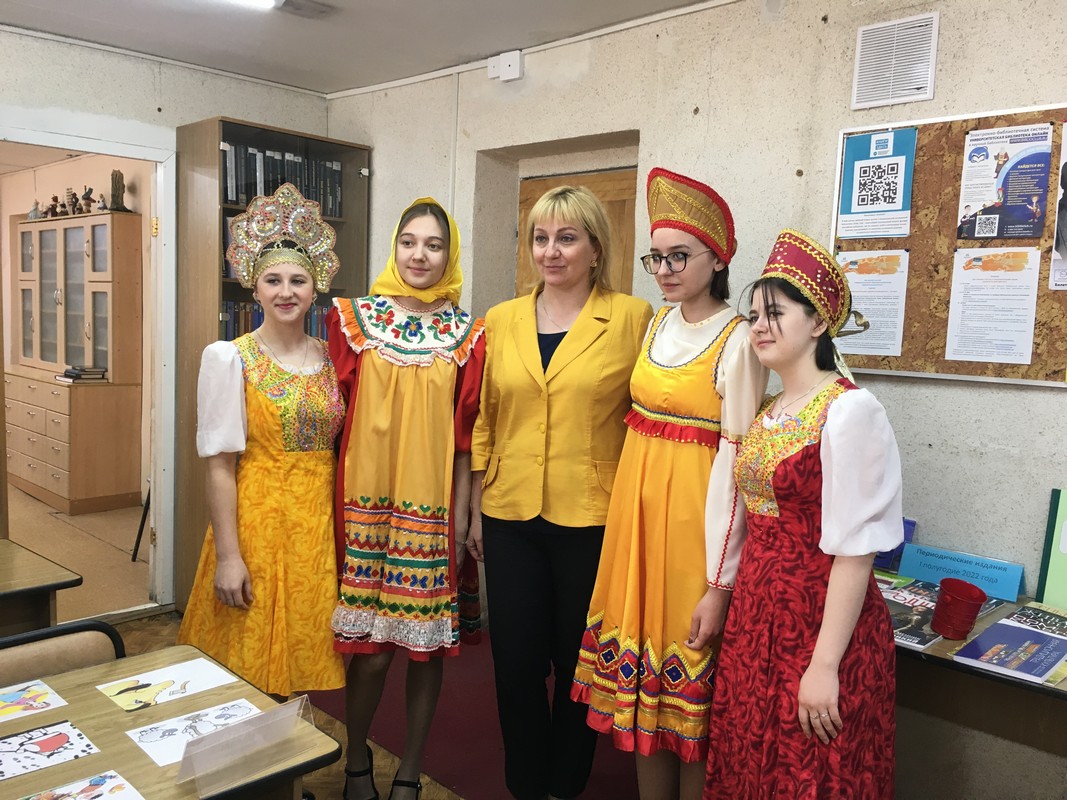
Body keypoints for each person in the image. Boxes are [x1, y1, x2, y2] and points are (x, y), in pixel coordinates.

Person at [570, 168, 768, 800]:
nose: (664, 270)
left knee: (689, 705)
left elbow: (740, 467)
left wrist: (719, 580)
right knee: (640, 706)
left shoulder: (739, 341)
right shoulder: (656, 324)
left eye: (679, 256)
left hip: (693, 537)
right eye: (656, 257)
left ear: (718, 259)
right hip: (636, 528)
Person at [704, 229, 904, 799]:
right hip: (755, 618)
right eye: (753, 315)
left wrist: (824, 665)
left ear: (817, 323)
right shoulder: (768, 409)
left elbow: (856, 552)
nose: (758, 326)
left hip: (820, 626)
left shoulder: (850, 411)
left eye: (775, 313)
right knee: (751, 761)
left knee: (811, 773)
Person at [468, 185, 653, 800]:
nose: (551, 251)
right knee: (515, 662)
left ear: (596, 248)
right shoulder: (501, 319)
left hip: (594, 514)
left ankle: (566, 783)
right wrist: (475, 508)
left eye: (567, 238)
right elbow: (487, 417)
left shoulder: (632, 318)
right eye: (541, 238)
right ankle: (526, 783)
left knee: (580, 663)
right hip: (509, 511)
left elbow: (647, 412)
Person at [329, 198, 484, 800]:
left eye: (434, 245)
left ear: (450, 255)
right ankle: (356, 761)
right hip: (362, 506)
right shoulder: (353, 321)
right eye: (409, 242)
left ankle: (411, 772)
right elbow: (334, 419)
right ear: (395, 247)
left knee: (426, 653)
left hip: (432, 510)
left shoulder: (468, 336)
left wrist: (464, 516)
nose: (420, 255)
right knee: (369, 653)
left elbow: (467, 438)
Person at [178, 182, 345, 699]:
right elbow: (219, 466)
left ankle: (288, 752)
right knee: (245, 673)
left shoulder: (334, 359)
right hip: (256, 525)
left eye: (298, 280)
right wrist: (229, 556)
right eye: (273, 280)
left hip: (317, 530)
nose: (285, 292)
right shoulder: (230, 358)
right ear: (255, 288)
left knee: (301, 665)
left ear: (315, 289)